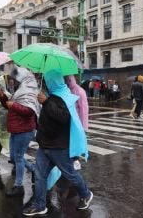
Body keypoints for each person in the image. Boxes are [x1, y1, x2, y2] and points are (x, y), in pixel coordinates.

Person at [23, 69, 92, 217]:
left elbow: (63, 117)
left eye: (47, 80)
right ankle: (40, 205)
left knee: (71, 174)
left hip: (59, 147)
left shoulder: (65, 96)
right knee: (40, 175)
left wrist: (46, 102)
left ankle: (86, 194)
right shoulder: (52, 96)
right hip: (45, 146)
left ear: (52, 81)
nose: (45, 84)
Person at [0, 67, 40, 197]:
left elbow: (29, 111)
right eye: (11, 79)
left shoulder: (29, 91)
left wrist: (12, 105)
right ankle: (33, 169)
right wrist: (3, 98)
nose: (12, 81)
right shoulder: (20, 90)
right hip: (16, 128)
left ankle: (19, 186)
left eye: (14, 79)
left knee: (19, 157)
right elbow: (10, 106)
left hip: (24, 130)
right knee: (15, 157)